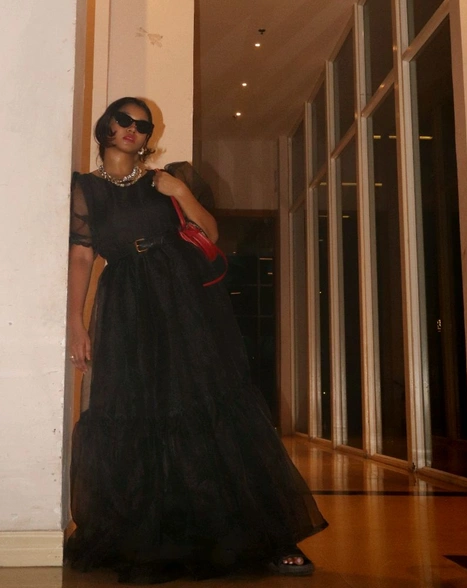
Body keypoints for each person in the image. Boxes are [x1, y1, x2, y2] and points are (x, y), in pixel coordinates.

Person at [66, 97, 328, 583]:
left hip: (182, 299)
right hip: (125, 303)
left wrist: (182, 192)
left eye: (143, 126)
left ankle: (265, 535)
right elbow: (82, 257)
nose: (133, 129)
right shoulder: (84, 189)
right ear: (106, 127)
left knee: (210, 401)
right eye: (124, 120)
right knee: (138, 409)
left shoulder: (163, 181)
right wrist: (75, 323)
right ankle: (152, 534)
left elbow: (209, 231)